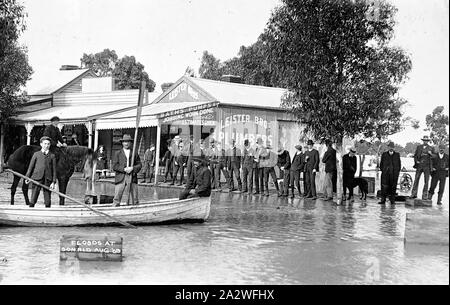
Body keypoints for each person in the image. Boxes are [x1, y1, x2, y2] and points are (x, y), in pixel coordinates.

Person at [25, 136, 57, 208]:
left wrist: (53, 182)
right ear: (41, 144)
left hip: (47, 179)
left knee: (48, 202)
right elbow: (30, 167)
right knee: (33, 199)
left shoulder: (52, 156)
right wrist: (27, 177)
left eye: (48, 144)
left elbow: (54, 170)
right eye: (45, 144)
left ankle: (47, 214)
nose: (46, 146)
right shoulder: (36, 154)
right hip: (37, 178)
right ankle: (30, 212)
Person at [112, 134, 142, 206]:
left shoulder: (134, 153)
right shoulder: (118, 153)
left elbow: (139, 165)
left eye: (128, 142)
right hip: (121, 177)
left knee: (135, 198)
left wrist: (132, 168)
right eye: (125, 142)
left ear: (130, 143)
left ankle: (136, 212)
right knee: (117, 198)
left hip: (132, 176)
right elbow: (115, 166)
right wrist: (124, 169)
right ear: (122, 143)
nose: (126, 143)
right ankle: (114, 210)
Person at [411, 135, 435, 199]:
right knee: (416, 180)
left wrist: (431, 154)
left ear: (428, 141)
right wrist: (416, 161)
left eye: (426, 140)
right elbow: (415, 156)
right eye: (424, 140)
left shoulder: (431, 148)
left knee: (426, 181)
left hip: (427, 166)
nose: (425, 141)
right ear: (423, 140)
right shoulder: (419, 147)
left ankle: (424, 195)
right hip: (419, 166)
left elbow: (435, 157)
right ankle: (414, 194)